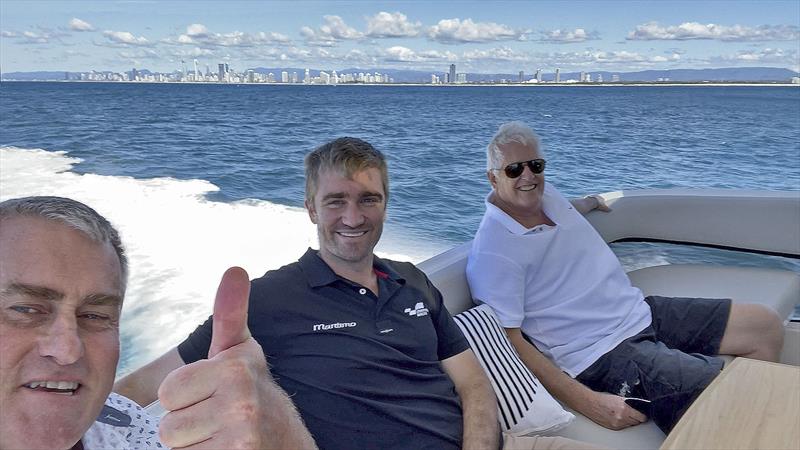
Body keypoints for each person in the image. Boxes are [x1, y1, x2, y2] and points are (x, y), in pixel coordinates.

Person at [115, 137, 600, 450]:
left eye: (368, 199)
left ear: (385, 204)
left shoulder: (413, 280)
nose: (353, 217)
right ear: (310, 209)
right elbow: (144, 386)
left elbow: (472, 384)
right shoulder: (267, 299)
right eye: (336, 201)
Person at [465, 121, 785, 434]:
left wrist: (590, 202)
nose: (528, 176)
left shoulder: (548, 199)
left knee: (764, 326)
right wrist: (589, 402)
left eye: (536, 165)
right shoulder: (494, 252)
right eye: (514, 169)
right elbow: (509, 342)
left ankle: (760, 423)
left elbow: (569, 209)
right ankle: (751, 425)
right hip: (600, 353)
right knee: (725, 392)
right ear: (492, 178)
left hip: (637, 312)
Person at [0, 196, 315, 450]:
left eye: (94, 316)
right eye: (26, 309)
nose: (67, 349)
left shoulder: (133, 431)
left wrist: (284, 438)